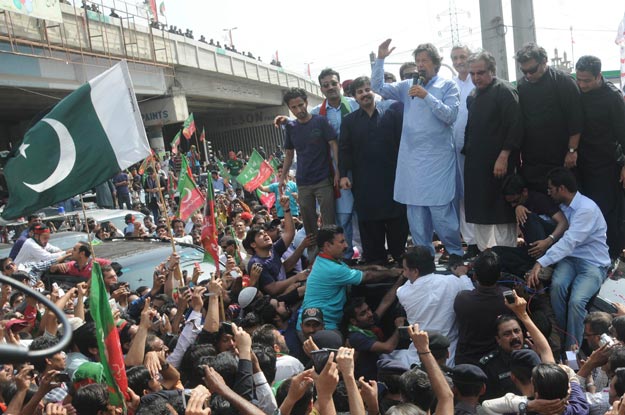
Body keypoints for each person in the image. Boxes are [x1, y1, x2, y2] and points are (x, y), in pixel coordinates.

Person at [372, 39, 463, 259]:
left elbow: (450, 116)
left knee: (441, 213)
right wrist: (381, 59)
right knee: (416, 214)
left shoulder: (447, 85)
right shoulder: (407, 86)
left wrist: (426, 96)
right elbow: (378, 87)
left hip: (437, 161)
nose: (420, 65)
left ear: (435, 64)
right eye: (417, 61)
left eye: (424, 61)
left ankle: (455, 253)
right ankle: (425, 258)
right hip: (412, 162)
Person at [527, 167, 611, 350]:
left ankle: (572, 350)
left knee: (576, 301)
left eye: (551, 188)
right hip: (570, 260)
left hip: (593, 264)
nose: (548, 192)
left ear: (562, 188)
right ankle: (563, 334)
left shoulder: (586, 209)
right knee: (557, 287)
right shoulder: (564, 207)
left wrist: (541, 262)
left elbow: (569, 241)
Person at [339, 76, 408, 265]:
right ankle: (377, 262)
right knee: (370, 226)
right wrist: (344, 174)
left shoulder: (391, 114)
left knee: (398, 222)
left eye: (367, 89)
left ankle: (399, 257)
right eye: (360, 92)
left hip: (393, 180)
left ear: (374, 92)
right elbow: (344, 149)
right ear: (354, 96)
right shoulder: (349, 121)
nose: (365, 94)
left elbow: (403, 144)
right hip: (364, 184)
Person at [464, 50, 522, 251]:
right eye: (472, 74)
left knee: (501, 213)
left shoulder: (504, 91)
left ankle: (506, 260)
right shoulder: (472, 95)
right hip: (477, 166)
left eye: (480, 73)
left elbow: (515, 127)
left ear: (491, 70)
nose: (476, 78)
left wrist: (504, 156)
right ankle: (485, 260)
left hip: (500, 165)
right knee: (481, 213)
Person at [300, 225, 401, 332]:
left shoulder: (323, 260)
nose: (346, 245)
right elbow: (367, 276)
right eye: (342, 242)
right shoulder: (332, 269)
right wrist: (391, 272)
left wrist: (371, 267)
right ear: (328, 245)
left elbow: (348, 269)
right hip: (319, 328)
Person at [575, 55, 625, 260]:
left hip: (606, 165)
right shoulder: (577, 93)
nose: (582, 84)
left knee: (607, 214)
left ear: (599, 77)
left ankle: (612, 255)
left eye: (587, 80)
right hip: (583, 164)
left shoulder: (612, 97)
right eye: (579, 79)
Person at [515, 43, 582, 192]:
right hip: (533, 161)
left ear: (544, 61)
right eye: (524, 71)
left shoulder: (563, 82)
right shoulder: (522, 86)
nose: (528, 75)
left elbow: (576, 120)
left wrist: (572, 151)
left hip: (561, 158)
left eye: (532, 70)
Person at [310, 68, 360, 263]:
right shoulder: (317, 113)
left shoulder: (355, 105)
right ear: (321, 89)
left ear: (340, 85)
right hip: (336, 172)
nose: (330, 87)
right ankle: (346, 258)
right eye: (326, 85)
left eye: (333, 83)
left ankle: (372, 254)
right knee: (344, 217)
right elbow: (302, 125)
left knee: (365, 215)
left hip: (360, 168)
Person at [279, 88, 338, 250]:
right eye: (294, 107)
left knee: (329, 223)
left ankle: (332, 256)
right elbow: (289, 154)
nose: (299, 110)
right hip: (303, 183)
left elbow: (334, 145)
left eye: (301, 105)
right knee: (309, 225)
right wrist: (282, 177)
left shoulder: (321, 121)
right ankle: (314, 258)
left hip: (324, 180)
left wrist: (339, 171)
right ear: (290, 109)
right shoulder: (291, 127)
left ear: (306, 102)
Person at [396, 245, 473, 365]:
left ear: (415, 271)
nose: (404, 274)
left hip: (418, 357)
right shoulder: (452, 282)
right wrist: (462, 274)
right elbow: (471, 292)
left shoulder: (403, 292)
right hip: (448, 356)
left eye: (405, 269)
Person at [493, 174, 568, 277]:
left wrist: (548, 240)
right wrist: (518, 206)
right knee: (496, 252)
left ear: (524, 192)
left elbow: (563, 223)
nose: (512, 205)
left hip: (549, 246)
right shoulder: (517, 206)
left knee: (528, 217)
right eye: (510, 203)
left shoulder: (539, 199)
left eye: (515, 201)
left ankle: (543, 266)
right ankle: (530, 271)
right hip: (531, 251)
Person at [454, 251, 512, 365]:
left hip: (467, 361)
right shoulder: (509, 298)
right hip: (498, 363)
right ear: (500, 275)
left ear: (474, 276)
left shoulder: (462, 299)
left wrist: (462, 275)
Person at [450, 45, 478, 259]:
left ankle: (482, 240)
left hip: (476, 148)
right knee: (460, 196)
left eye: (463, 57)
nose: (459, 61)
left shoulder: (478, 82)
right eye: (455, 58)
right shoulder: (449, 85)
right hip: (453, 149)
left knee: (476, 192)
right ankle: (470, 241)